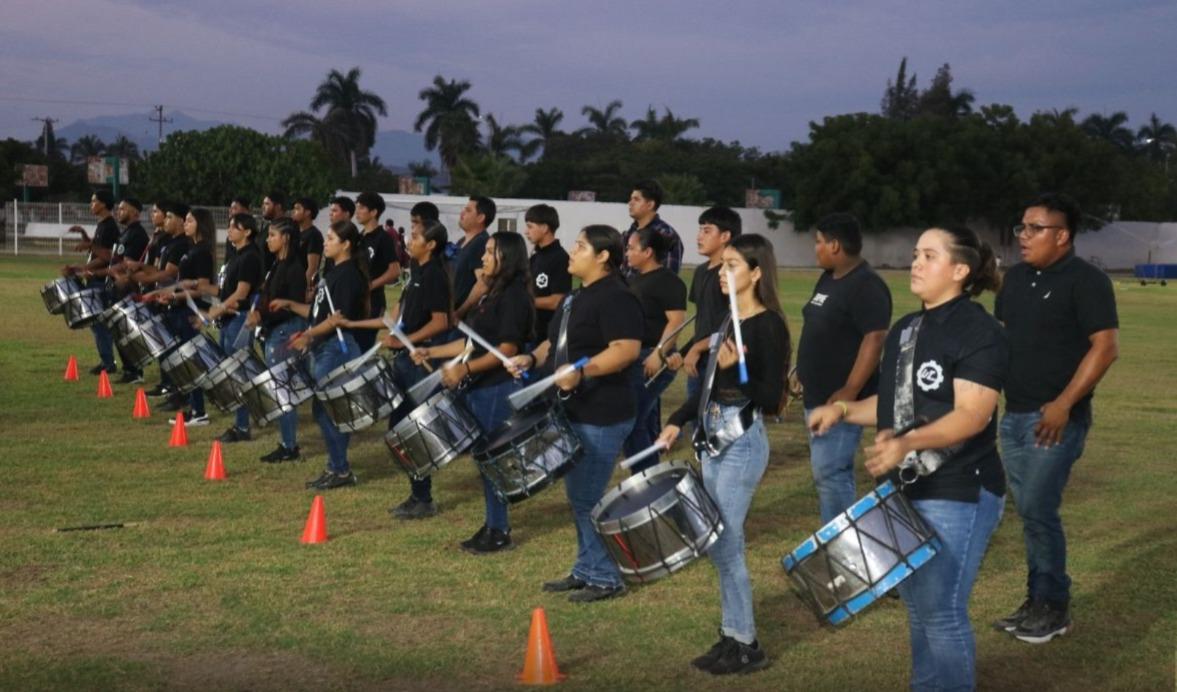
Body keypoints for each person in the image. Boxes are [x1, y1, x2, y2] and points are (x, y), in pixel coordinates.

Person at [808, 225, 1008, 691]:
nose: (915, 263)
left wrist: (906, 443)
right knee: (919, 605)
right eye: (916, 253)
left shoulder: (980, 331)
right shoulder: (906, 329)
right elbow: (893, 405)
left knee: (942, 610)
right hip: (909, 487)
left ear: (960, 271)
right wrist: (840, 409)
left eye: (929, 256)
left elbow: (972, 416)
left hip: (961, 488)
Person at [656, 234, 788, 676]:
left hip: (742, 442)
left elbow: (770, 397)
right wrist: (678, 417)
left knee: (726, 543)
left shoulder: (768, 325)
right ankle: (732, 633)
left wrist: (736, 372)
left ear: (756, 272)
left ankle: (747, 643)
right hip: (712, 433)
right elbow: (709, 384)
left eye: (732, 265)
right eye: (720, 265)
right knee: (717, 541)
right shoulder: (730, 323)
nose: (721, 272)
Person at [992, 193, 1119, 643]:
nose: (1023, 236)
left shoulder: (1086, 281)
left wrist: (1065, 403)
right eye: (1021, 227)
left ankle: (1054, 606)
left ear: (1062, 235)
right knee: (1032, 515)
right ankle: (1037, 599)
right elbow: (1004, 340)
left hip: (1056, 420)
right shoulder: (1017, 279)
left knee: (1037, 509)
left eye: (1034, 228)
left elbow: (1105, 348)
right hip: (1014, 416)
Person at [507, 225, 643, 603]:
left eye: (581, 246)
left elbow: (626, 349)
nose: (572, 250)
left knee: (588, 498)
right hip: (573, 409)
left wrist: (583, 372)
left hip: (602, 411)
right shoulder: (575, 298)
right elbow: (557, 342)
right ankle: (587, 568)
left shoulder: (616, 297)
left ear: (603, 256)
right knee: (579, 496)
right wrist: (531, 358)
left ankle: (606, 576)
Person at [412, 232, 533, 552]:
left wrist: (464, 369)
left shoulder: (515, 296)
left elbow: (506, 348)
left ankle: (499, 529)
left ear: (506, 257)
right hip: (481, 387)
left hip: (496, 389)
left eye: (491, 252)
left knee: (492, 459)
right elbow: (472, 344)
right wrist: (432, 352)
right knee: (483, 460)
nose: (483, 257)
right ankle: (493, 524)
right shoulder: (492, 294)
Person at [796, 213, 892, 523]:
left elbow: (875, 338)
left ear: (835, 245)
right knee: (824, 472)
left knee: (831, 474)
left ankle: (838, 541)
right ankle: (836, 535)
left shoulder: (866, 285)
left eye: (819, 242)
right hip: (816, 394)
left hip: (840, 401)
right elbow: (818, 326)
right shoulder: (828, 277)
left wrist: (849, 391)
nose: (816, 249)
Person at [288, 221, 370, 490]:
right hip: (325, 348)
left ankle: (340, 469)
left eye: (331, 238)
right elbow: (320, 314)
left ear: (346, 244)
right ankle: (337, 466)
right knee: (325, 409)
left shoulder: (348, 276)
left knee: (330, 410)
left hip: (338, 348)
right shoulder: (334, 272)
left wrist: (309, 335)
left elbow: (338, 319)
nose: (325, 242)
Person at [622, 227, 687, 471]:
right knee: (645, 423)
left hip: (652, 360)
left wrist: (658, 354)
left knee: (632, 423)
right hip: (637, 357)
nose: (627, 253)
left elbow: (676, 321)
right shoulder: (634, 278)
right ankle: (651, 477)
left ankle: (644, 480)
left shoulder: (668, 282)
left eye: (631, 248)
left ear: (648, 251)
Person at [669, 207, 742, 402]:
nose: (699, 236)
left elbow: (733, 325)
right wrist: (684, 353)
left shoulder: (734, 274)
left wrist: (697, 349)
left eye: (707, 231)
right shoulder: (701, 271)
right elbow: (704, 322)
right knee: (697, 420)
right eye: (700, 230)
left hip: (724, 360)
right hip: (700, 360)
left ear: (725, 235)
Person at [253, 219, 308, 462]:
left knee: (283, 390)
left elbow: (291, 306)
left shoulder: (294, 267)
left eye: (273, 235)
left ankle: (289, 446)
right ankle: (287, 443)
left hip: (285, 331)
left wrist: (262, 314)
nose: (268, 239)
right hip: (275, 330)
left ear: (285, 238)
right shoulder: (278, 263)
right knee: (280, 388)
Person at [208, 213, 264, 443]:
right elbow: (227, 289)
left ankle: (242, 426)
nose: (229, 230)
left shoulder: (250, 256)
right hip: (230, 319)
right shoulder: (236, 256)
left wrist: (218, 309)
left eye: (234, 227)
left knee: (238, 374)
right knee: (232, 373)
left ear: (247, 232)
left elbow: (241, 293)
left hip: (240, 319)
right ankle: (239, 422)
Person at [161, 208, 218, 427]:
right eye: (184, 220)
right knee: (184, 362)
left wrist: (176, 295)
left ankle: (199, 411)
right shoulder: (192, 248)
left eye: (190, 221)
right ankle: (194, 408)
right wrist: (172, 296)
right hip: (179, 308)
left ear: (201, 225)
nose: (185, 224)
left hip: (190, 311)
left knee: (191, 361)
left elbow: (203, 288)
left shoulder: (202, 252)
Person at [62, 190, 121, 376]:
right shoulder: (103, 225)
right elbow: (97, 249)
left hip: (102, 280)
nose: (91, 204)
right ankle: (106, 360)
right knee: (97, 323)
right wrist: (85, 236)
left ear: (103, 204)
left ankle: (108, 362)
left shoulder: (110, 226)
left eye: (94, 201)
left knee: (99, 323)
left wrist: (80, 267)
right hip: (95, 278)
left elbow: (106, 257)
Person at [94, 197, 151, 384]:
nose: (119, 212)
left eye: (123, 209)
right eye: (118, 209)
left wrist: (116, 274)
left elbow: (129, 265)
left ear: (135, 212)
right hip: (116, 288)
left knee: (127, 333)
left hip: (128, 290)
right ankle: (128, 369)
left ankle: (135, 371)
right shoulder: (125, 233)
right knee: (118, 332)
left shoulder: (138, 235)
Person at [354, 191, 401, 352]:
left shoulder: (383, 237)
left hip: (373, 302)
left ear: (374, 212)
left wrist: (369, 286)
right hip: (355, 301)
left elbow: (394, 271)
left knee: (363, 346)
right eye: (356, 207)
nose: (357, 211)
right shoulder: (358, 238)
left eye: (361, 208)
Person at [524, 204, 571, 347]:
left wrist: (524, 301)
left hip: (545, 337)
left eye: (530, 226)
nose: (526, 232)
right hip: (529, 333)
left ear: (544, 228)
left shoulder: (560, 258)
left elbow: (558, 300)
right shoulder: (536, 257)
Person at [620, 179, 683, 277]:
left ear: (650, 205)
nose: (630, 203)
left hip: (648, 291)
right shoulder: (629, 233)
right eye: (631, 199)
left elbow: (667, 278)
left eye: (636, 199)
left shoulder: (665, 235)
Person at [451, 196, 494, 319]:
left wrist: (460, 312)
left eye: (468, 210)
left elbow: (483, 284)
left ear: (481, 218)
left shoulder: (482, 244)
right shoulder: (461, 241)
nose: (462, 213)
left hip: (463, 321)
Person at [291, 197, 323, 302]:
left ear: (307, 213)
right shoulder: (294, 232)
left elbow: (312, 267)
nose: (293, 212)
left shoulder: (314, 235)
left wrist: (302, 289)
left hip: (301, 288)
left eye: (297, 209)